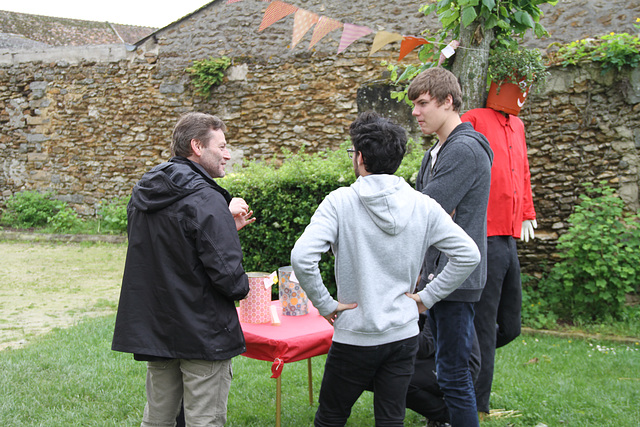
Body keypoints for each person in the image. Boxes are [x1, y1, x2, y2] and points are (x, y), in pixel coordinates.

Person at [291, 111, 481, 427]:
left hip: (354, 334)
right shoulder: (423, 204)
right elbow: (468, 254)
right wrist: (427, 298)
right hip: (403, 334)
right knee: (391, 419)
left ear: (361, 157)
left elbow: (302, 257)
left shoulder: (340, 202)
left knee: (331, 417)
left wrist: (325, 304)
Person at [111, 112, 256, 427]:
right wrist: (222, 229)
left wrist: (222, 227)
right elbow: (232, 281)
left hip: (158, 331)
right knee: (204, 421)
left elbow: (165, 250)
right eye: (222, 146)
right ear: (197, 146)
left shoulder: (143, 193)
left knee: (158, 419)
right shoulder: (206, 199)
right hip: (203, 334)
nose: (228, 154)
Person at [406, 67, 493, 427]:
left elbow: (425, 210)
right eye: (414, 104)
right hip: (434, 276)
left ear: (448, 101)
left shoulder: (466, 150)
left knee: (455, 375)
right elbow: (426, 206)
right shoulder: (435, 153)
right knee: (445, 369)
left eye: (423, 103)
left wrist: (425, 204)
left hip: (457, 278)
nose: (415, 112)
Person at [461, 107, 537, 417]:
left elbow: (523, 170)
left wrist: (528, 213)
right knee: (484, 327)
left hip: (509, 235)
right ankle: (477, 406)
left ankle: (457, 370)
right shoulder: (474, 117)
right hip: (485, 233)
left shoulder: (516, 124)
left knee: (509, 326)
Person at [405, 314, 481, 427]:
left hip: (461, 366)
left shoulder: (433, 299)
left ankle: (451, 416)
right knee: (384, 373)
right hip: (437, 359)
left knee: (394, 378)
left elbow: (426, 345)